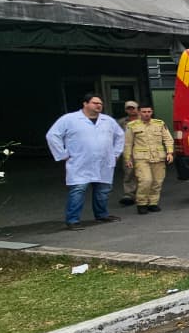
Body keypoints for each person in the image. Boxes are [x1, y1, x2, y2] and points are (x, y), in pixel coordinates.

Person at [46, 93, 125, 230]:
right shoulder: (70, 119)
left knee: (103, 190)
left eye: (100, 103)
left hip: (104, 162)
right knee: (78, 190)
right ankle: (73, 220)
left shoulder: (108, 120)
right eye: (95, 103)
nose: (99, 105)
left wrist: (116, 153)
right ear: (85, 104)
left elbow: (120, 136)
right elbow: (52, 135)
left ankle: (101, 215)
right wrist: (62, 154)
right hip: (80, 162)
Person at [124, 105, 174, 215]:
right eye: (144, 111)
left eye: (149, 111)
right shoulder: (132, 125)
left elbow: (168, 139)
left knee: (157, 181)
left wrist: (170, 152)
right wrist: (128, 158)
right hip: (141, 158)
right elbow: (128, 143)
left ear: (152, 112)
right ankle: (142, 203)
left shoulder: (159, 123)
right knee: (145, 180)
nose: (147, 114)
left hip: (158, 157)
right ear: (139, 112)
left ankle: (153, 203)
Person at [116, 100, 140, 205]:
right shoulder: (121, 122)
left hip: (142, 150)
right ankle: (129, 194)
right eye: (128, 108)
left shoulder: (144, 119)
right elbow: (116, 136)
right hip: (128, 151)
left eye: (133, 108)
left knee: (143, 172)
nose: (131, 110)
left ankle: (142, 193)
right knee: (129, 172)